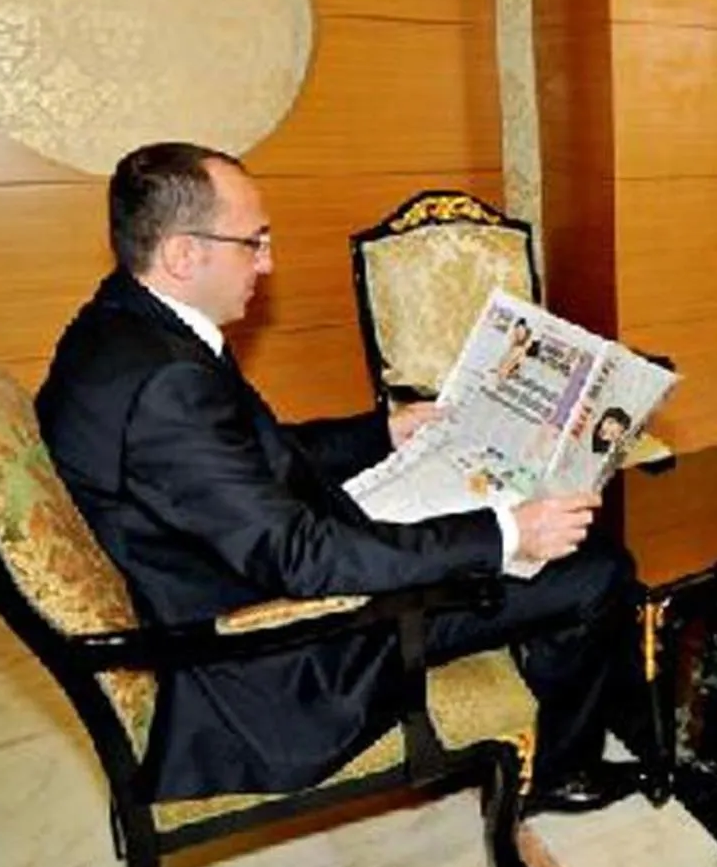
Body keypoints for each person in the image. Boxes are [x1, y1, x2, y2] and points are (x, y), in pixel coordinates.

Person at [36, 142, 643, 814]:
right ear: (183, 254)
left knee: (504, 537)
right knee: (596, 569)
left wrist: (380, 431)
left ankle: (534, 684)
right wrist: (505, 533)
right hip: (279, 656)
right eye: (253, 242)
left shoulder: (116, 327)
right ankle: (560, 771)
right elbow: (304, 558)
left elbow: (243, 457)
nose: (267, 263)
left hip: (214, 586)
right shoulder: (169, 383)